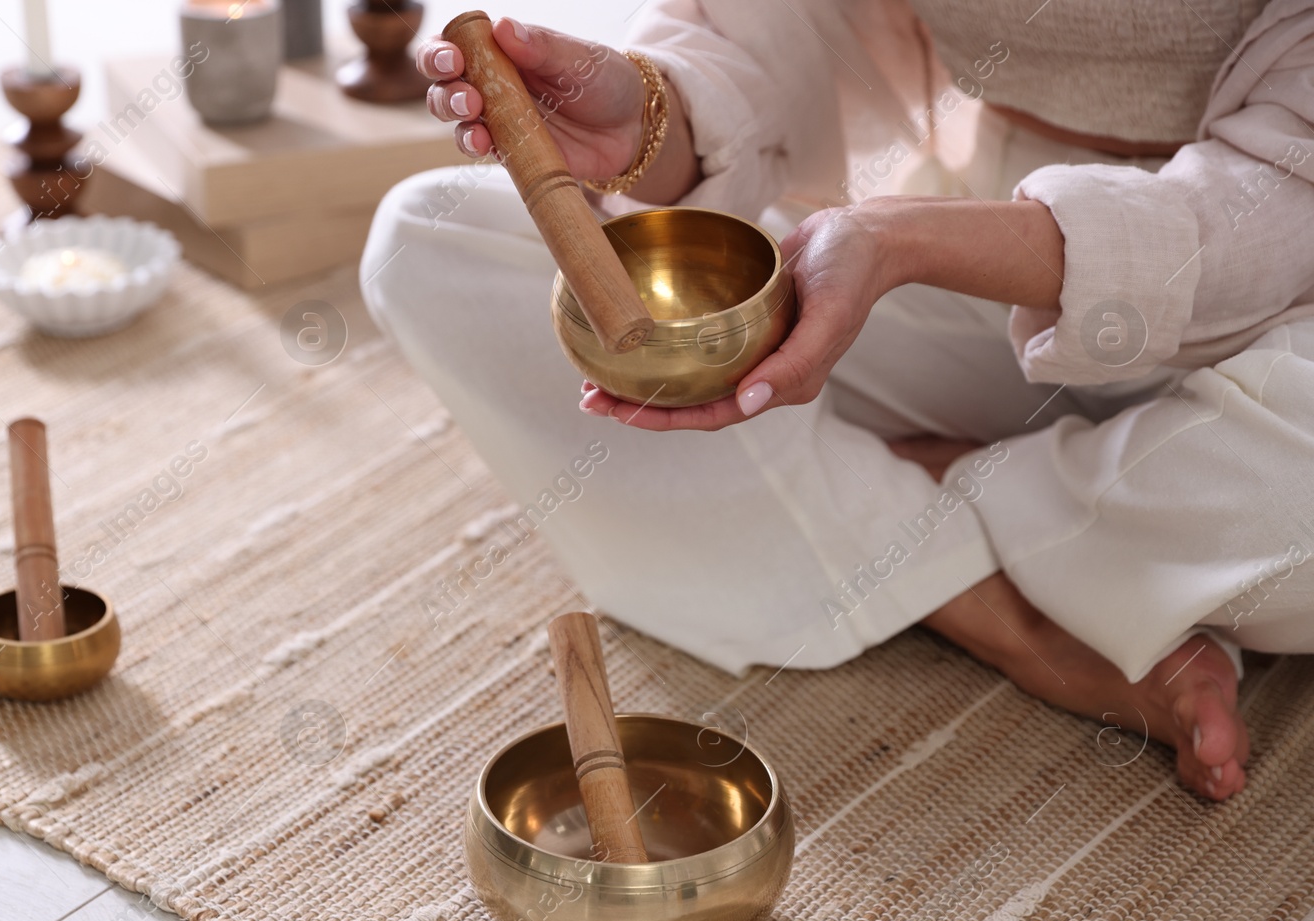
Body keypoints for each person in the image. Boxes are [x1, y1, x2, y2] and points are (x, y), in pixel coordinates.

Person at [361, 0, 1314, 801]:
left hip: (1264, 305)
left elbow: (1272, 212)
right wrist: (643, 121)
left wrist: (906, 242)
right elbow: (768, 37)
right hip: (973, 258)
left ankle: (923, 487)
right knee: (432, 237)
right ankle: (1005, 604)